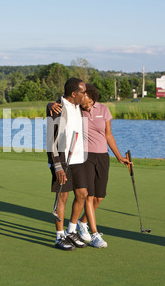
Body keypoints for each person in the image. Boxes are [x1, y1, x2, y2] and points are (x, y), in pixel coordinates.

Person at [49, 83, 130, 248]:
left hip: (90, 156)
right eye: (82, 96)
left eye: (87, 98)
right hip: (73, 157)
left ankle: (76, 227)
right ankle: (74, 235)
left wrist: (119, 156)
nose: (86, 102)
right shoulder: (68, 108)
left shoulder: (91, 109)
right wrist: (50, 104)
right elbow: (53, 134)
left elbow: (107, 134)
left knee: (91, 195)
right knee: (73, 196)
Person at [47, 77, 89, 251]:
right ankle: (59, 236)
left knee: (82, 194)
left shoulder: (78, 106)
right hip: (62, 158)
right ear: (74, 94)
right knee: (62, 197)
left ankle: (71, 231)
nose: (85, 96)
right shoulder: (57, 108)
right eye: (82, 92)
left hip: (78, 158)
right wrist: (57, 166)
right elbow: (51, 139)